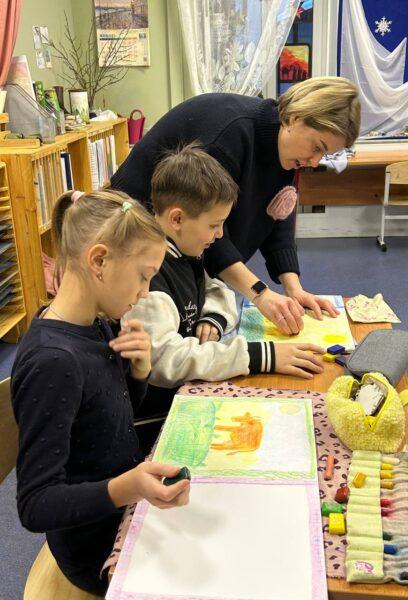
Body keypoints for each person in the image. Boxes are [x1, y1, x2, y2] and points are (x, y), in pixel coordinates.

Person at [11, 190, 190, 596]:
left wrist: (140, 371)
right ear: (99, 261)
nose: (145, 292)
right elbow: (35, 505)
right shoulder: (53, 362)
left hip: (122, 508)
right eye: (143, 276)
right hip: (95, 548)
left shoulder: (97, 323)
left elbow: (109, 419)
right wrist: (130, 487)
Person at [111, 77, 361, 335]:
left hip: (183, 243)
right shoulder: (229, 135)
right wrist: (260, 294)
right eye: (317, 147)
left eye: (325, 155)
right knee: (160, 334)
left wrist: (294, 288)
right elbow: (209, 232)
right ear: (296, 117)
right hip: (136, 230)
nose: (314, 161)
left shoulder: (290, 151)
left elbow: (277, 214)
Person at [127, 145, 325, 415]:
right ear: (177, 218)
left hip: (191, 389)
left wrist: (214, 318)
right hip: (162, 413)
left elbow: (216, 288)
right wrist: (259, 357)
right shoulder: (148, 279)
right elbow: (165, 360)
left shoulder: (184, 249)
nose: (220, 235)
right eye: (214, 225)